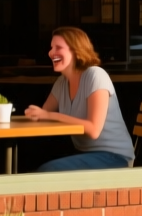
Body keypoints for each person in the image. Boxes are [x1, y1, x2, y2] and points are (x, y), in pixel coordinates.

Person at [26, 26, 135, 171]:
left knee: (47, 171)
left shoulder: (95, 75)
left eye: (58, 47)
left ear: (76, 51)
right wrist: (35, 115)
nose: (51, 52)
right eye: (51, 47)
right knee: (34, 162)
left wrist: (49, 115)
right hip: (86, 154)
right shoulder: (62, 82)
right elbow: (43, 115)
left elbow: (93, 129)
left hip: (115, 157)